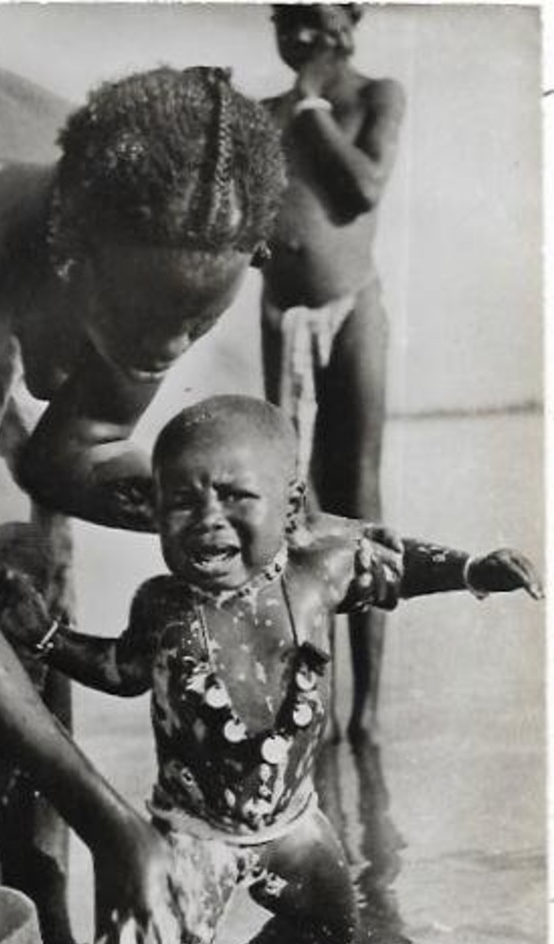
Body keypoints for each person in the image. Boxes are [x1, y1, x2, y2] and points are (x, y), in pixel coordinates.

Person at [0, 25, 291, 944]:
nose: (166, 349)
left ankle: (42, 930)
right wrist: (110, 817)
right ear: (74, 265)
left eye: (197, 321)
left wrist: (202, 511)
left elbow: (60, 459)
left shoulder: (166, 226)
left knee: (23, 584)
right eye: (149, 320)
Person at [0, 394, 542, 944]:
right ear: (153, 513)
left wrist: (470, 571)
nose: (208, 520)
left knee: (333, 922)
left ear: (290, 508)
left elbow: (401, 568)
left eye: (234, 497)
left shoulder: (318, 574)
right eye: (180, 503)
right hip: (193, 837)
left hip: (295, 827)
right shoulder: (162, 606)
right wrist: (44, 637)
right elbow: (120, 672)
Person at [261, 3, 406, 755]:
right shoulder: (262, 114)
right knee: (294, 508)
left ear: (349, 19)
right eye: (285, 23)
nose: (299, 39)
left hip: (353, 311)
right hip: (280, 318)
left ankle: (368, 715)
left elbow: (360, 190)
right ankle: (311, 705)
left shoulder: (375, 94)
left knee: (359, 493)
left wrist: (312, 99)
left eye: (314, 20)